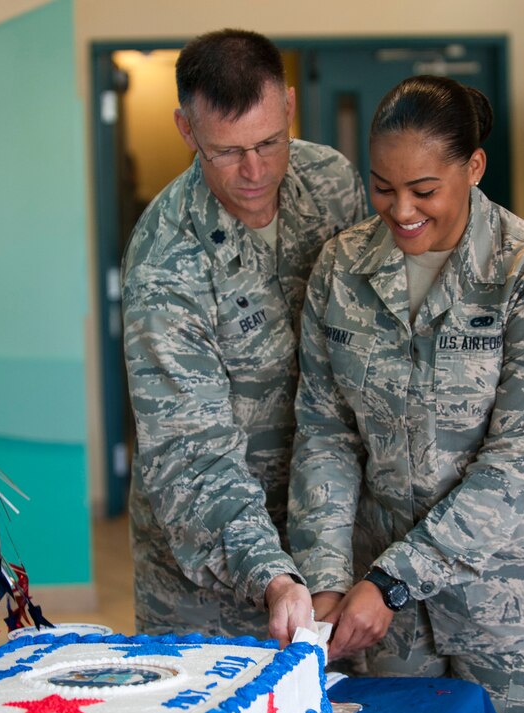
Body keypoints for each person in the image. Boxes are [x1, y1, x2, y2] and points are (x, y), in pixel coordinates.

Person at [288, 74, 524, 713]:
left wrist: (393, 580)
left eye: (423, 190)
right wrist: (326, 577)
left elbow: (515, 461)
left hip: (519, 602)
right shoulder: (342, 267)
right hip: (386, 613)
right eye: (381, 187)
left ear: (474, 167)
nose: (400, 211)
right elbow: (325, 431)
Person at [121, 29, 367, 648]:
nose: (255, 172)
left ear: (288, 104)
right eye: (227, 152)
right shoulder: (164, 263)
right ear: (186, 129)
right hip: (210, 577)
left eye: (268, 143)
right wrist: (272, 575)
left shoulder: (331, 183)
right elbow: (189, 455)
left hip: (330, 536)